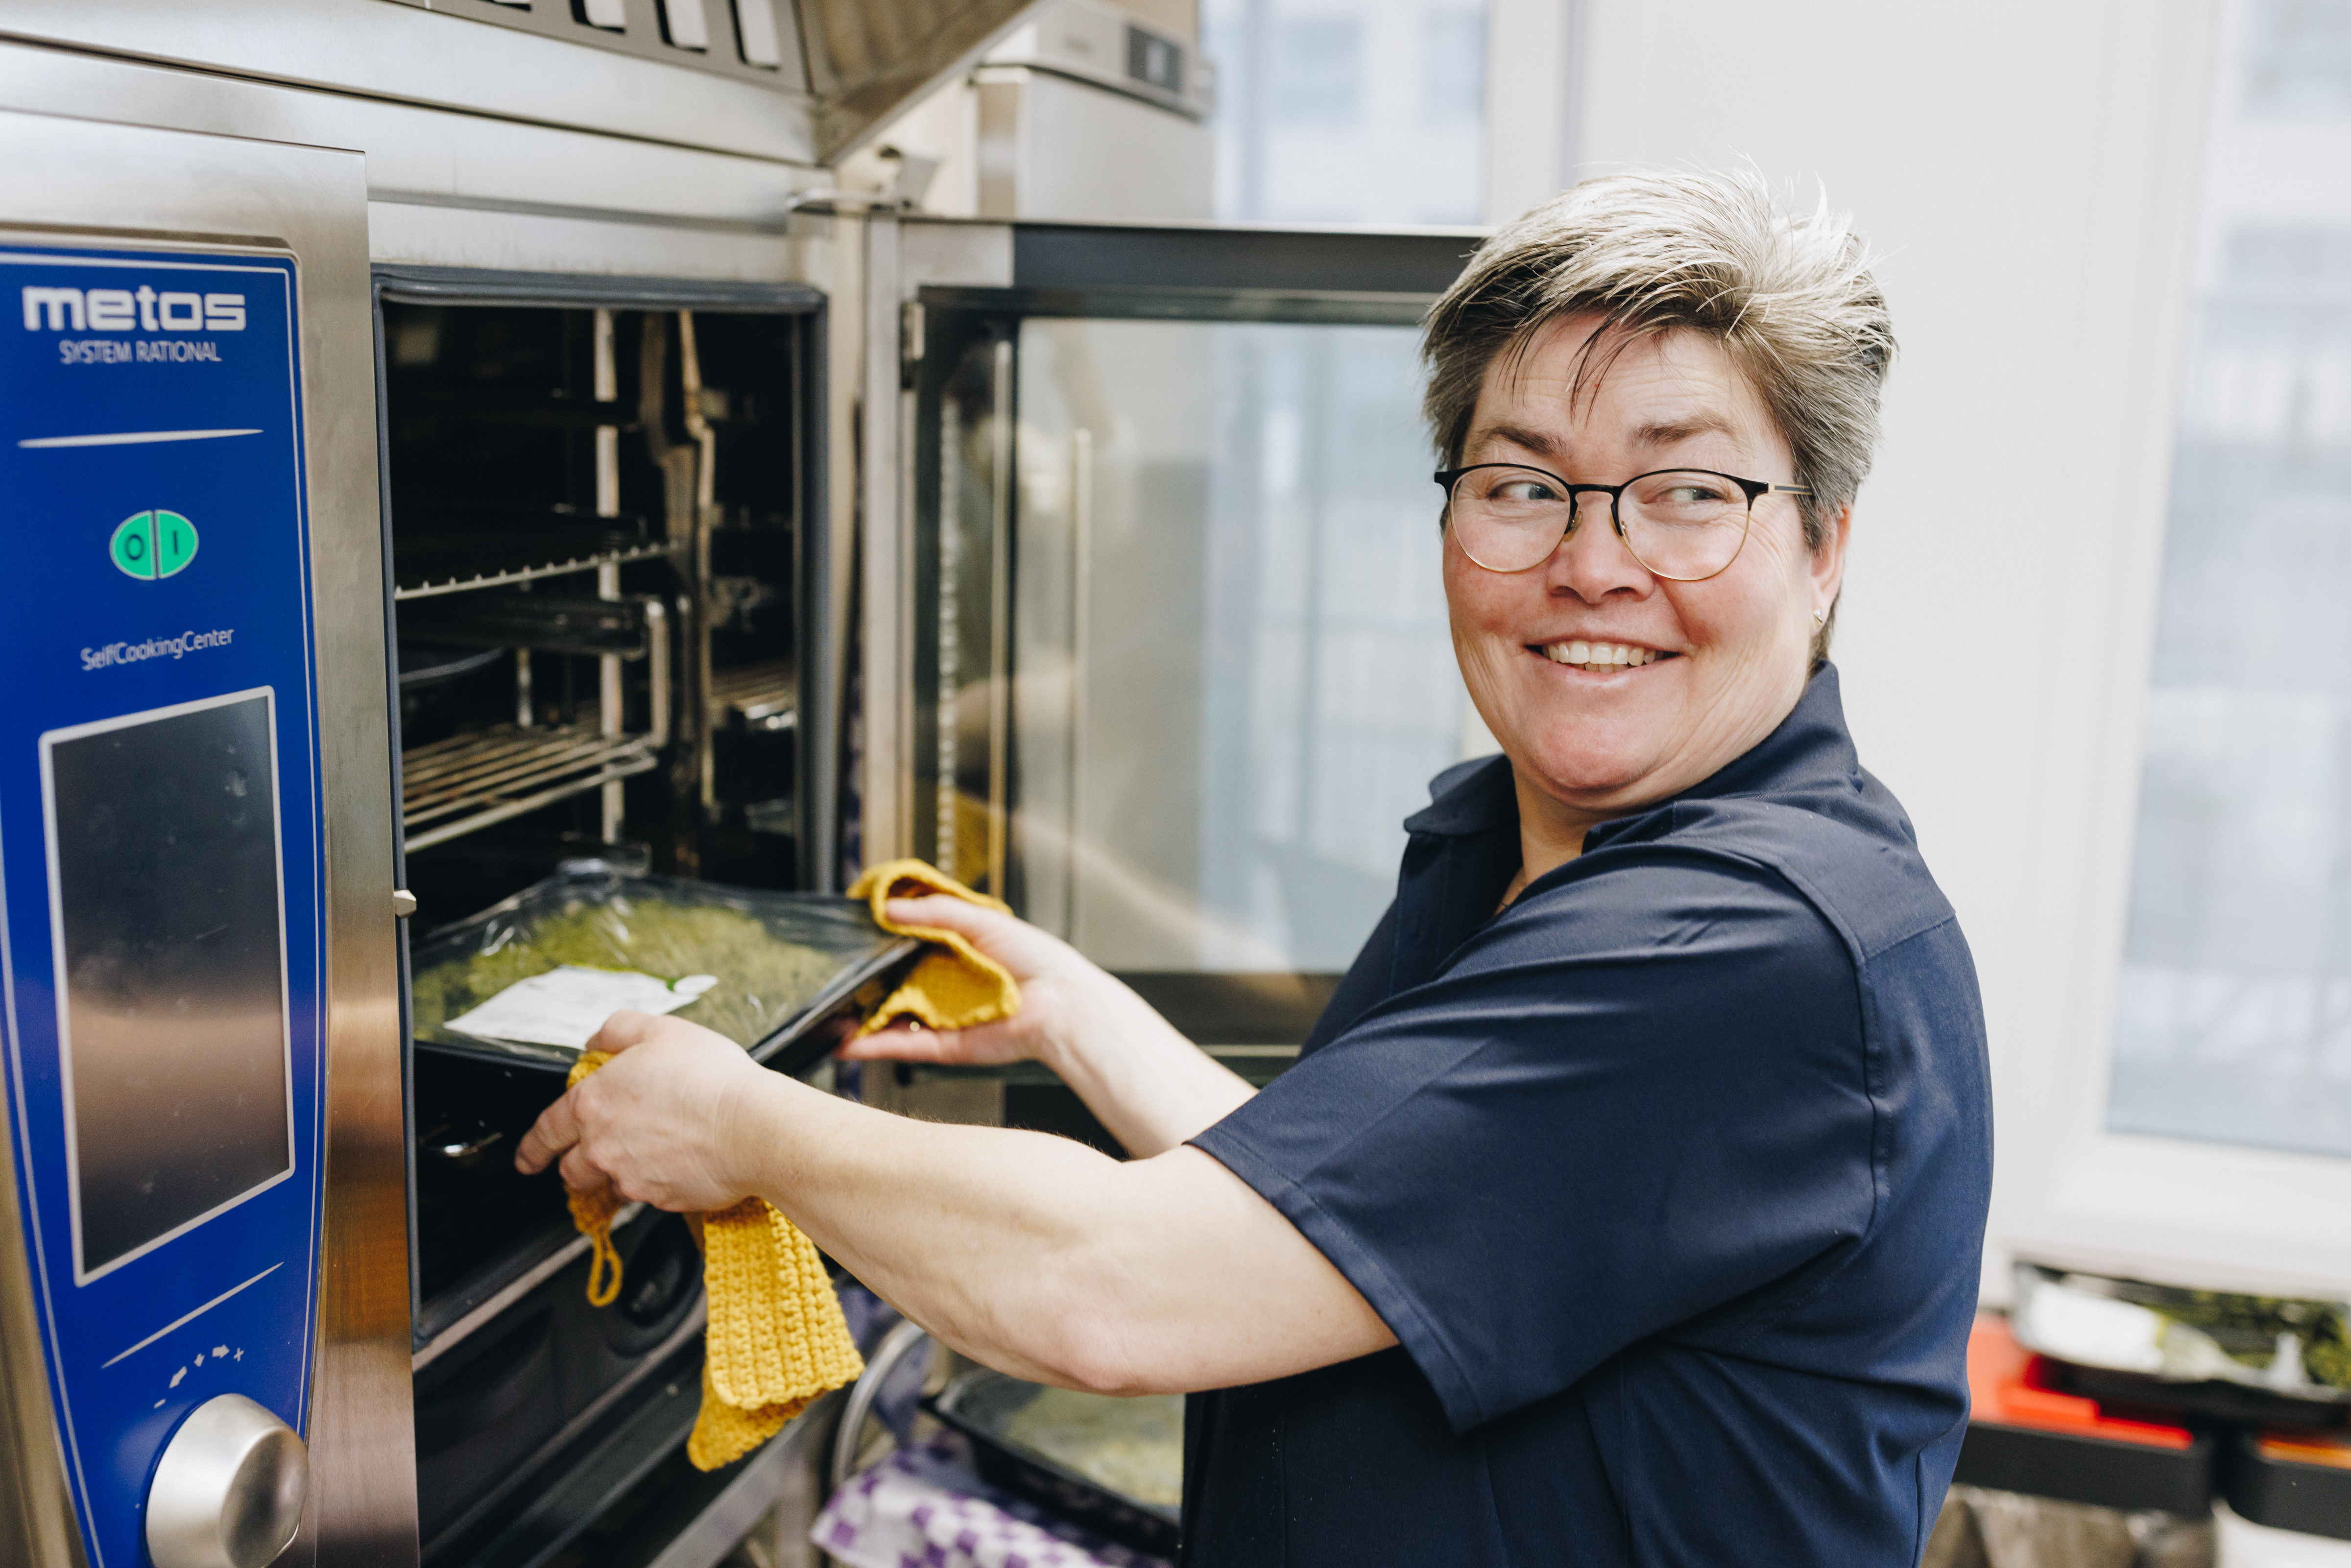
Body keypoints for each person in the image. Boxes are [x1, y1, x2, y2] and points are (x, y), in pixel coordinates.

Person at [518, 167, 1991, 1566]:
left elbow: (1114, 1288)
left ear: (1823, 547)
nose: (1591, 561)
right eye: (1522, 484)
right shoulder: (1526, 839)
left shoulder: (1747, 949)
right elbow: (1371, 1228)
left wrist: (738, 1125)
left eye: (1684, 493)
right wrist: (1082, 1013)